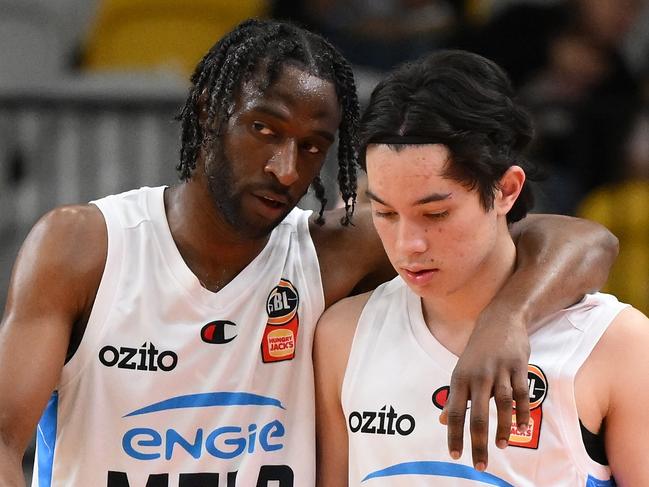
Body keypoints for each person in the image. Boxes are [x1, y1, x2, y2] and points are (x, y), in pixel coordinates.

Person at [0, 19, 617, 487]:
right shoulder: (86, 244)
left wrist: (507, 317)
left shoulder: (332, 250)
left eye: (314, 145)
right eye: (265, 129)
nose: (284, 168)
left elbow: (582, 239)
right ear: (212, 112)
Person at [314, 50, 649, 486]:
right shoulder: (342, 335)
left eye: (436, 214)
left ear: (506, 190)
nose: (407, 244)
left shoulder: (616, 343)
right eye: (386, 214)